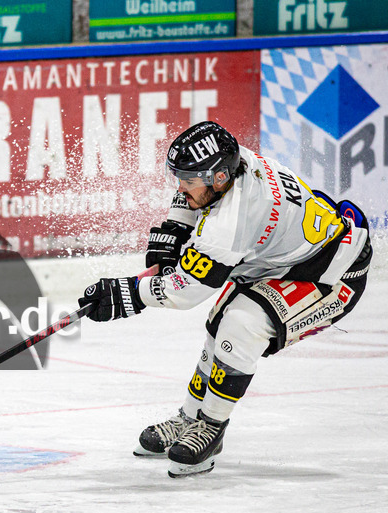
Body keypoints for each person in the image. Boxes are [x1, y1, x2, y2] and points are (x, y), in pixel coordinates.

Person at [78, 121, 372, 478]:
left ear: (218, 177)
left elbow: (183, 292)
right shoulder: (236, 161)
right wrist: (174, 228)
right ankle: (190, 418)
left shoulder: (228, 226)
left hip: (331, 274)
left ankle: (211, 428)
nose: (181, 189)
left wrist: (125, 294)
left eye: (188, 182)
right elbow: (196, 197)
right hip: (284, 258)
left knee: (241, 326)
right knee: (219, 330)